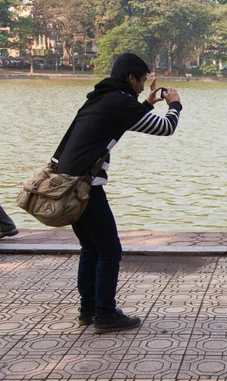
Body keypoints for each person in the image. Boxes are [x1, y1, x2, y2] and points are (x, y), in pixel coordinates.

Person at [56, 53, 183, 333]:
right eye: (142, 82)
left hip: (68, 183)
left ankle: (88, 310)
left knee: (91, 248)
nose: (143, 87)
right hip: (86, 188)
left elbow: (126, 118)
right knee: (110, 251)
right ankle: (105, 314)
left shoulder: (101, 98)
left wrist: (148, 102)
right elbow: (166, 127)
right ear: (130, 78)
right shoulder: (119, 103)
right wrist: (175, 104)